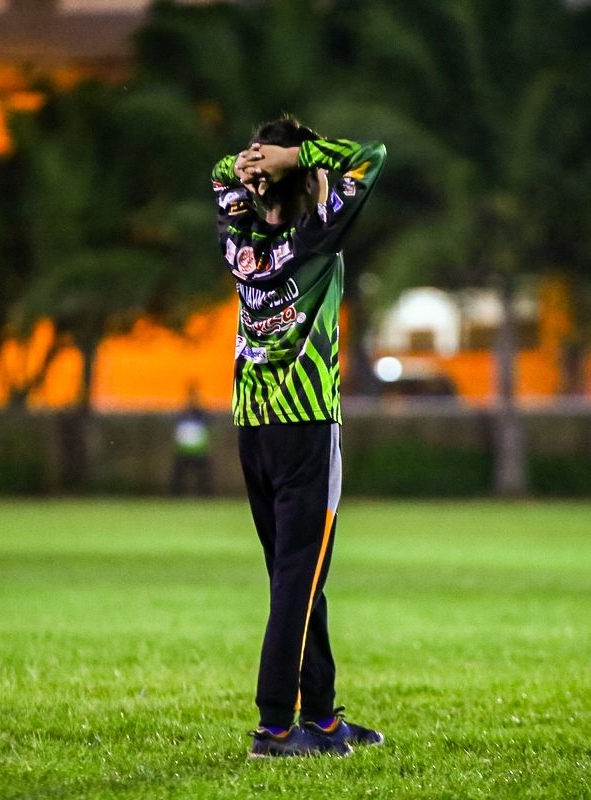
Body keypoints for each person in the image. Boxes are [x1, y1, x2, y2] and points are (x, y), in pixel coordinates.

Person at [211, 116, 387, 758]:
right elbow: (369, 154)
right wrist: (297, 157)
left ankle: (321, 719)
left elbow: (220, 177)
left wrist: (248, 165)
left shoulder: (240, 238)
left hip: (254, 430)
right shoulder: (318, 235)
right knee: (297, 581)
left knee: (296, 576)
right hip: (306, 426)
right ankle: (275, 729)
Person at [169, 384, 213, 496]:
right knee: (179, 475)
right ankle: (176, 496)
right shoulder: (183, 411)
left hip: (199, 449)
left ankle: (205, 496)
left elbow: (208, 425)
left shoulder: (201, 412)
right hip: (184, 448)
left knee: (203, 476)